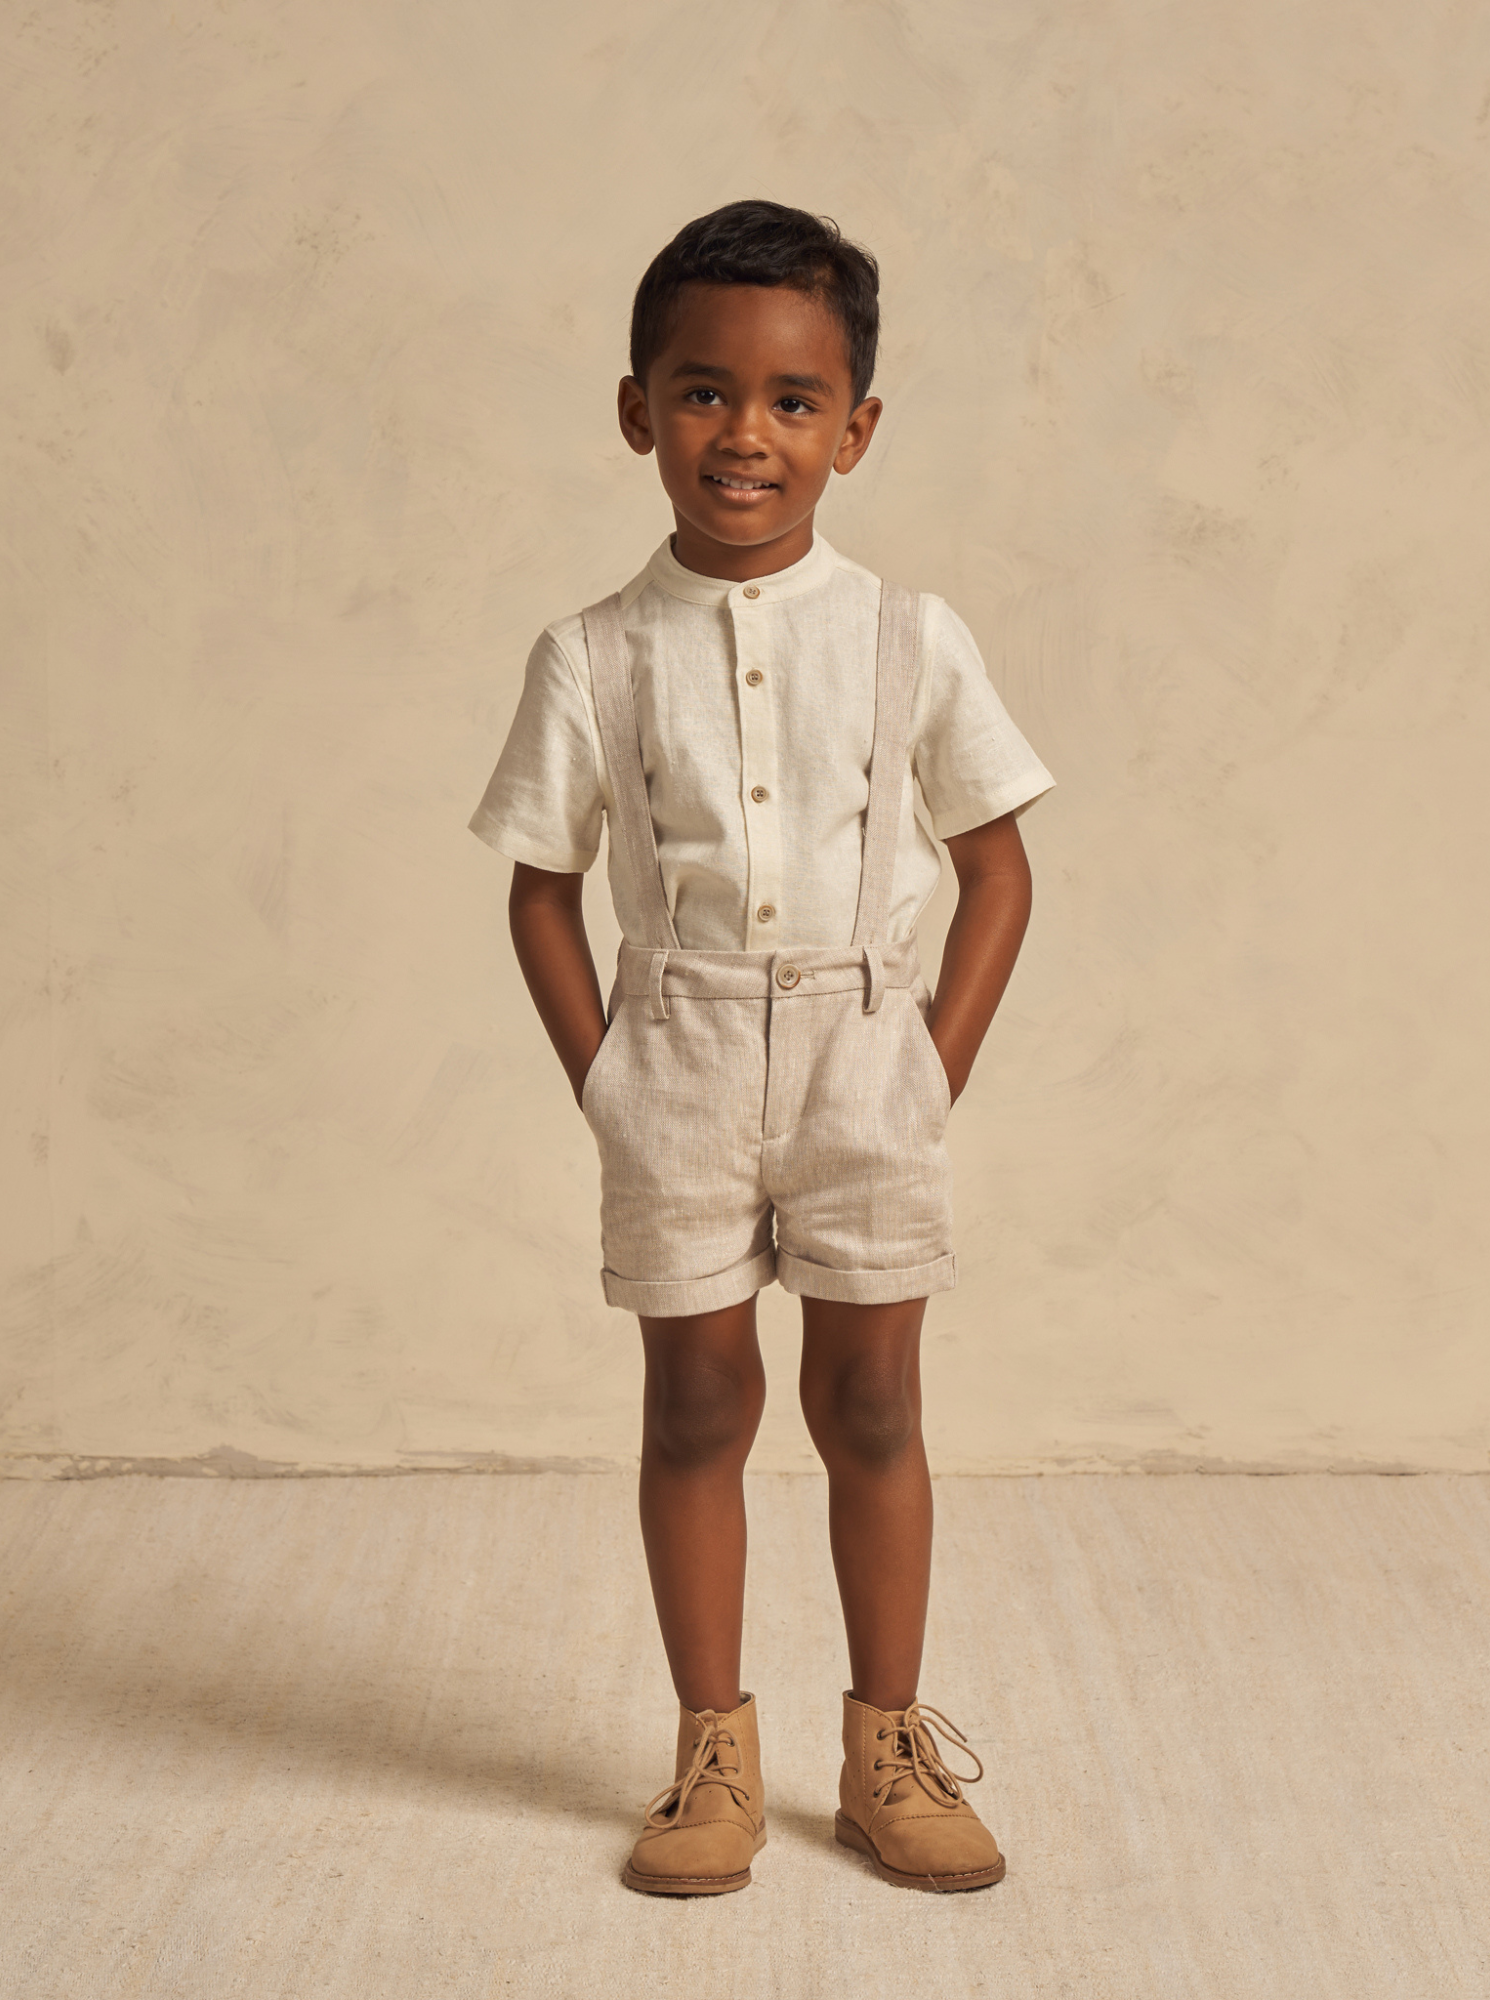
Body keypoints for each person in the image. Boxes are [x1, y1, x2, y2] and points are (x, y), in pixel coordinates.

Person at [468, 200, 1052, 1896]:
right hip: (678, 1063)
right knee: (695, 1400)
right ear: (640, 407)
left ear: (854, 430)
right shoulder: (589, 654)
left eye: (795, 402)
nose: (747, 435)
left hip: (870, 1054)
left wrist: (926, 1066)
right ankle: (710, 1748)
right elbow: (539, 891)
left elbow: (997, 865)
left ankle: (887, 1741)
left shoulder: (906, 636)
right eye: (705, 392)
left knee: (871, 1401)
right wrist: (608, 1082)